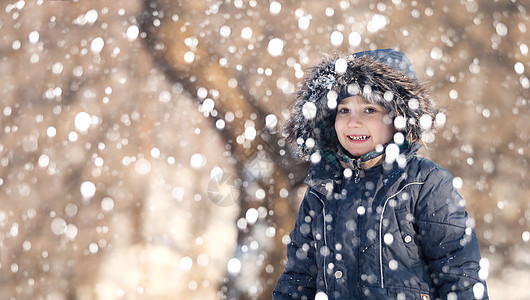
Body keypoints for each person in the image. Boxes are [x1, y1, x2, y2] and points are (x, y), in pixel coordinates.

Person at [273, 49, 488, 299]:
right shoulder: (323, 189)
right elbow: (299, 279)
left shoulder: (425, 184)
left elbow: (460, 275)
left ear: (398, 117)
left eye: (369, 110)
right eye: (344, 110)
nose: (353, 122)